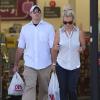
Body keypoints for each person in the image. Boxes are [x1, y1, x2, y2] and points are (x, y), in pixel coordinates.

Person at [13, 5, 55, 100]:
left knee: (44, 90)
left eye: (38, 11)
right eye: (34, 11)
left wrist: (54, 63)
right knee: (29, 87)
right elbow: (20, 48)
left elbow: (52, 47)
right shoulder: (25, 28)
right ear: (30, 14)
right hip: (29, 64)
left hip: (45, 64)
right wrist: (16, 64)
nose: (36, 13)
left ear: (41, 14)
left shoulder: (49, 27)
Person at [52, 6, 86, 100]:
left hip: (74, 65)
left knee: (72, 89)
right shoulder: (59, 32)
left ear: (73, 21)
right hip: (61, 65)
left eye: (70, 22)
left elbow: (84, 45)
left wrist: (82, 49)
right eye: (65, 22)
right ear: (63, 21)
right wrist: (54, 62)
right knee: (63, 89)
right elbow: (54, 47)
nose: (67, 24)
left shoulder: (79, 32)